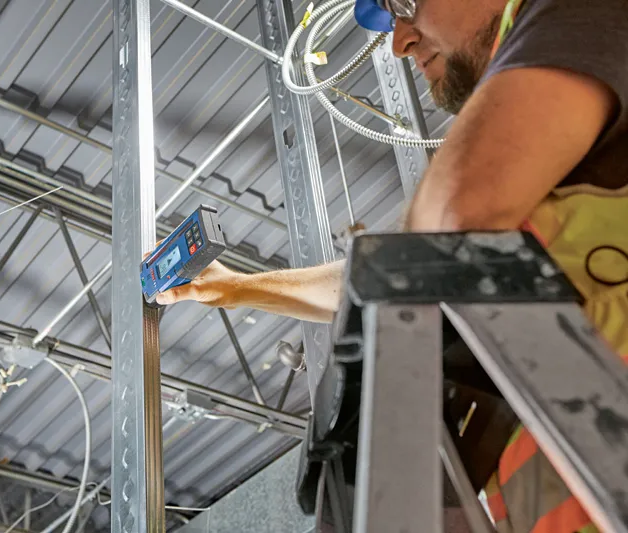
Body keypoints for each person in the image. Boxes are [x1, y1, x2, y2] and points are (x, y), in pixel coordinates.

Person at [156, 0, 628, 531]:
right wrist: (239, 288)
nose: (402, 41)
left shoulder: (579, 10)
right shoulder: (536, 177)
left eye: (406, 4)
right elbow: (401, 272)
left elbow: (445, 226)